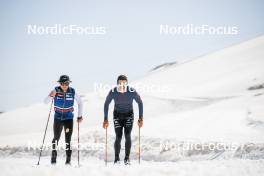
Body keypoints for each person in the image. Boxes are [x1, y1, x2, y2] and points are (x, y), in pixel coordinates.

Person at [103, 75, 143, 165]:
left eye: (124, 82)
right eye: (120, 83)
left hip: (129, 115)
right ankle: (116, 159)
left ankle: (127, 158)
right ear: (117, 83)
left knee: (128, 135)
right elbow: (106, 104)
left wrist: (141, 118)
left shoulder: (131, 91)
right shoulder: (113, 92)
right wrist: (105, 119)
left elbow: (140, 102)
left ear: (127, 83)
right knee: (118, 136)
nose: (122, 84)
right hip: (117, 115)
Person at [44, 75, 83, 165]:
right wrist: (51, 95)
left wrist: (79, 116)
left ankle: (68, 160)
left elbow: (80, 103)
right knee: (56, 138)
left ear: (69, 83)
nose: (64, 85)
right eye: (62, 83)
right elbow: (45, 102)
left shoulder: (72, 92)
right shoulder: (55, 91)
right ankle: (53, 157)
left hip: (68, 119)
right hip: (58, 118)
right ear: (60, 83)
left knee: (68, 140)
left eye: (66, 83)